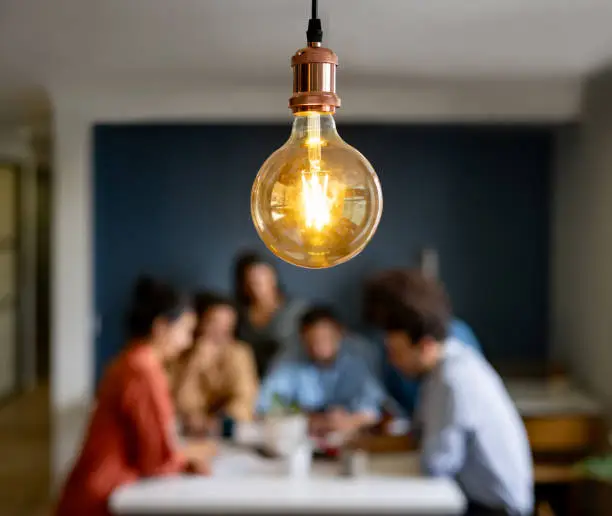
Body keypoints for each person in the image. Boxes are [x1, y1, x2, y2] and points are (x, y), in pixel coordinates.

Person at [367, 269, 533, 516]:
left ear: (425, 346)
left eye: (396, 352)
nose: (392, 362)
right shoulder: (449, 363)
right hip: (478, 499)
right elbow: (420, 437)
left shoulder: (452, 379)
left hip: (494, 509)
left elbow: (437, 463)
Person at [54, 277, 212, 516]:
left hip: (97, 487)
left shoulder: (130, 361)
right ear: (161, 327)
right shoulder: (143, 371)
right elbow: (157, 460)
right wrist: (194, 454)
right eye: (185, 331)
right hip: (105, 495)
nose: (187, 341)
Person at [257, 306, 386, 437]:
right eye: (312, 341)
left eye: (325, 338)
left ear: (340, 333)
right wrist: (310, 420)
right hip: (303, 433)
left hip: (354, 434)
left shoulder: (360, 354)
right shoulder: (288, 358)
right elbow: (265, 405)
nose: (318, 347)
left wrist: (350, 420)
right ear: (302, 338)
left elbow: (374, 409)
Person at [172, 292, 259, 434]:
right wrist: (194, 362)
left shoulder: (239, 353)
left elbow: (244, 400)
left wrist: (215, 422)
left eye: (227, 324)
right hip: (185, 429)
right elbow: (178, 401)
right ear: (199, 322)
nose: (220, 330)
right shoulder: (181, 351)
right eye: (214, 322)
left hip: (226, 431)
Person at [234, 251, 308, 378]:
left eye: (262, 278)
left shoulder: (296, 310)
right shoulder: (238, 315)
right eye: (251, 281)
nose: (257, 286)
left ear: (273, 278)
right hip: (250, 379)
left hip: (289, 377)